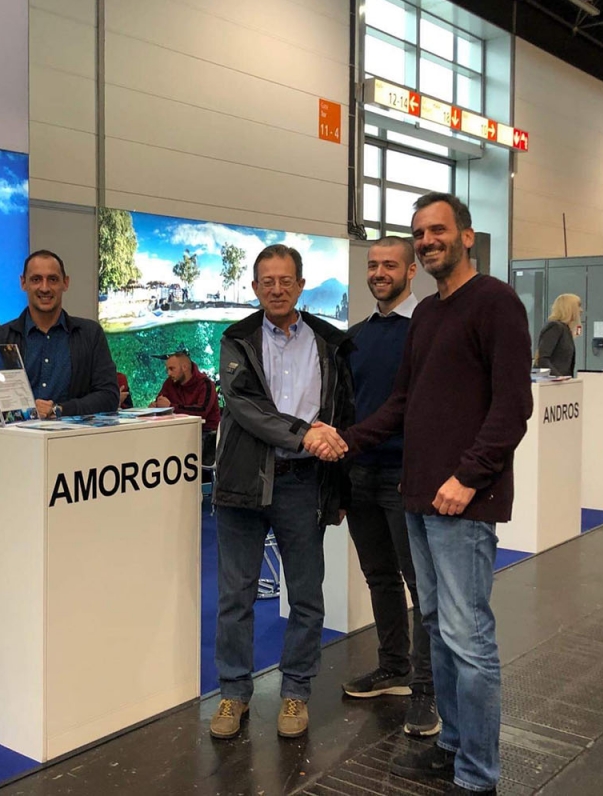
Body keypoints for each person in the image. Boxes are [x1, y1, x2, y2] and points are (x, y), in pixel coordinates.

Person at [309, 193, 533, 796]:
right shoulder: (429, 314)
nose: (428, 240)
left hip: (462, 503)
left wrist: (469, 478)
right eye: (420, 233)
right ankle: (453, 747)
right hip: (418, 498)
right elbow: (402, 403)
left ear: (466, 236)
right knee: (437, 626)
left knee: (468, 637)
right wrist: (346, 440)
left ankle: (478, 775)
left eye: (438, 230)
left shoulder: (496, 302)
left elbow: (513, 406)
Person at [208, 244, 353, 741]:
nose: (276, 289)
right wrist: (303, 433)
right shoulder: (236, 339)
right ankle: (234, 692)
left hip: (304, 484)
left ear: (301, 284)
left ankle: (296, 690)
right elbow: (243, 405)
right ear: (254, 287)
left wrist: (339, 487)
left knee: (307, 595)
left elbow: (343, 412)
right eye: (267, 281)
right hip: (243, 483)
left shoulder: (329, 343)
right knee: (235, 596)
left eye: (285, 280)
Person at [341, 236, 438, 739]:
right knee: (379, 576)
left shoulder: (426, 329)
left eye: (390, 265)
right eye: (373, 265)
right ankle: (394, 667)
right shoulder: (356, 337)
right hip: (360, 474)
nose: (379, 272)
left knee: (421, 586)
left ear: (411, 271)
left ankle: (426, 688)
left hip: (405, 475)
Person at [0, 250, 119, 422]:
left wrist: (60, 410)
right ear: (23, 283)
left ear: (65, 283)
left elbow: (109, 396)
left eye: (53, 279)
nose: (45, 288)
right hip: (17, 439)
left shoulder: (90, 335)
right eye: (36, 279)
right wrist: (26, 414)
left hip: (74, 438)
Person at [151, 350, 220, 463]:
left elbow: (201, 411)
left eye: (172, 369)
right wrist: (155, 406)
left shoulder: (206, 384)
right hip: (178, 432)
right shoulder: (170, 383)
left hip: (205, 434)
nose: (168, 373)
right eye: (167, 369)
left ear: (184, 367)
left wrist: (171, 407)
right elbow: (160, 401)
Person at [537, 293, 581, 377]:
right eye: (578, 306)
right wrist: (559, 377)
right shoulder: (555, 327)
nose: (581, 310)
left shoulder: (566, 329)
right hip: (553, 381)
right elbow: (543, 358)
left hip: (563, 380)